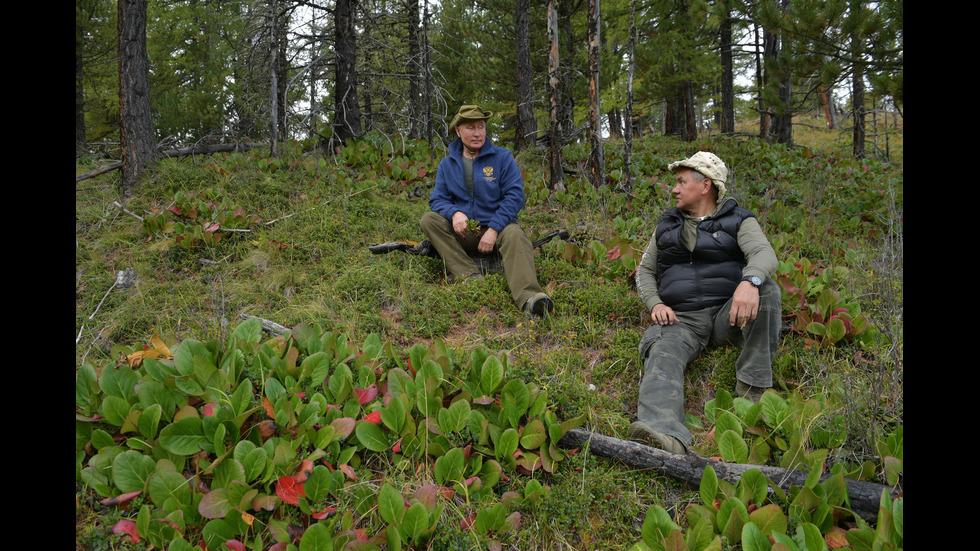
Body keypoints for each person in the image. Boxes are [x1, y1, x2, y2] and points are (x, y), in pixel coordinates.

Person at [629, 151, 780, 455]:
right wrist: (655, 303)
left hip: (730, 315)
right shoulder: (667, 224)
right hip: (681, 319)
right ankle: (663, 433)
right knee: (662, 351)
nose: (675, 189)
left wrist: (750, 283)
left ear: (705, 185)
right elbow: (645, 270)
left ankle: (751, 394)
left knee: (768, 290)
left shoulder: (739, 219)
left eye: (681, 182)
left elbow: (765, 255)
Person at [420, 105, 553, 317]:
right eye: (471, 127)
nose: (477, 133)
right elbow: (437, 199)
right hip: (465, 233)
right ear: (458, 131)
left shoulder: (502, 157)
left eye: (481, 127)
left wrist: (494, 228)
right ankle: (470, 276)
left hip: (499, 232)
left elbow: (515, 196)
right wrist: (454, 213)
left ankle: (530, 299)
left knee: (516, 234)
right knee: (429, 220)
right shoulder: (447, 164)